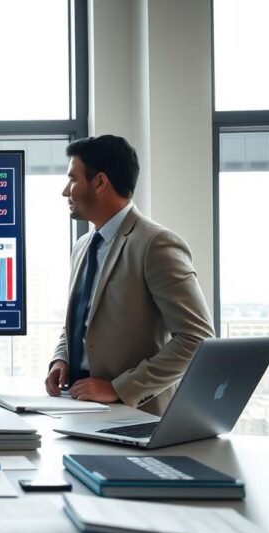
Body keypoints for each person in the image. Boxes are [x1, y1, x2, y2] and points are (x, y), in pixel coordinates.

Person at [46, 135, 214, 415]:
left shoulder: (156, 244)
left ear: (99, 182)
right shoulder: (82, 246)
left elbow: (196, 339)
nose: (66, 191)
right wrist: (60, 359)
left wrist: (120, 388)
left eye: (73, 180)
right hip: (77, 408)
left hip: (135, 414)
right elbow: (80, 321)